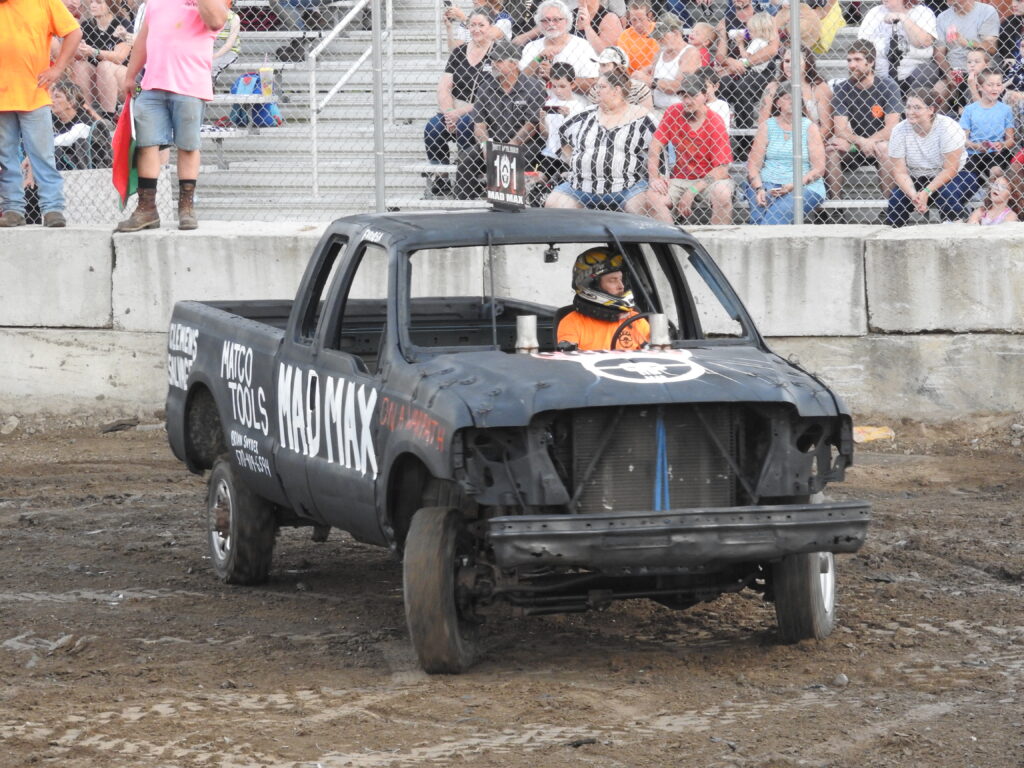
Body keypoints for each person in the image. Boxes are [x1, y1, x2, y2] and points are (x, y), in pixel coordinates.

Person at [116, 0, 230, 231]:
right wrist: (130, 75)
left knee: (188, 146)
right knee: (146, 145)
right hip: (152, 84)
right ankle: (147, 209)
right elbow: (143, 39)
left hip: (190, 85)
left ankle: (186, 208)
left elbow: (216, 20)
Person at [0, 0, 82, 228]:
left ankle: (52, 209)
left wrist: (58, 68)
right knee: (5, 158)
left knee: (42, 156)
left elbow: (74, 32)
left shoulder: (44, 2)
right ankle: (13, 210)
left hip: (34, 94)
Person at [545, 70, 658, 214]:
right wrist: (573, 160)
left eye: (601, 87)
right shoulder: (584, 115)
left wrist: (656, 178)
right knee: (553, 203)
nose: (596, 90)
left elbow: (659, 147)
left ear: (616, 90)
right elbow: (561, 135)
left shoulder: (641, 117)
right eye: (596, 86)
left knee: (641, 208)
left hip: (627, 186)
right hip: (581, 186)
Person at [455, 39, 546, 198]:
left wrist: (511, 146)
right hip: (494, 141)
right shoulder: (485, 87)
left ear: (514, 63)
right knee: (466, 159)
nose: (493, 64)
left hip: (525, 144)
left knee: (510, 158)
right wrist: (486, 145)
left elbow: (531, 125)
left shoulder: (532, 87)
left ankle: (505, 204)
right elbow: (479, 124)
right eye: (492, 60)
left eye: (498, 61)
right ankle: (463, 203)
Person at [648, 73, 735, 225]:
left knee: (722, 194)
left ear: (705, 96)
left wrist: (692, 191)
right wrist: (654, 178)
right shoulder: (673, 112)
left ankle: (717, 237)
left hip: (709, 179)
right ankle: (671, 237)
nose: (687, 101)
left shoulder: (715, 121)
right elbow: (655, 146)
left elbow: (722, 169)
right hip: (680, 177)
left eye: (693, 95)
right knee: (652, 197)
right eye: (684, 96)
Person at [425, 9, 495, 194]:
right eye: (473, 25)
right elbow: (444, 87)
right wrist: (449, 113)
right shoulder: (459, 52)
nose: (476, 29)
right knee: (433, 128)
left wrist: (458, 114)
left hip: (485, 109)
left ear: (490, 27)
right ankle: (441, 177)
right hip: (456, 108)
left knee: (465, 124)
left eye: (481, 25)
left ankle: (469, 176)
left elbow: (491, 94)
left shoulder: (497, 52)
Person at [825, 40, 903, 201]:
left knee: (885, 148)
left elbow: (892, 128)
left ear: (871, 62)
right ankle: (835, 206)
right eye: (849, 60)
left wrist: (869, 142)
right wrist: (861, 142)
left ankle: (889, 207)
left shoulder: (888, 86)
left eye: (857, 60)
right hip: (854, 147)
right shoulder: (842, 89)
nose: (852, 65)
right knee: (833, 147)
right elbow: (840, 129)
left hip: (880, 145)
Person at [884, 88, 975, 226]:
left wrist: (926, 192)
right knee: (896, 199)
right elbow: (900, 171)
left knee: (947, 194)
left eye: (917, 107)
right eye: (908, 107)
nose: (910, 112)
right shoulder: (899, 130)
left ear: (931, 110)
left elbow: (950, 169)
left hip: (957, 174)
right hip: (918, 175)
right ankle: (894, 233)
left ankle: (955, 229)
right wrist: (914, 196)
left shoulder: (948, 127)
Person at [745, 83, 828, 224]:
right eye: (788, 98)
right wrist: (759, 189)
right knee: (757, 217)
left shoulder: (809, 127)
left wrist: (794, 184)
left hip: (804, 186)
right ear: (778, 102)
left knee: (774, 218)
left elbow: (819, 169)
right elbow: (753, 165)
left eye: (796, 98)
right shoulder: (767, 126)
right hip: (767, 183)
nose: (792, 102)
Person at [556, 248, 651, 351]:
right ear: (592, 285)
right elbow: (570, 358)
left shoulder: (636, 320)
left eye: (621, 279)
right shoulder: (572, 322)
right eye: (613, 280)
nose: (621, 286)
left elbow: (654, 354)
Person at [715, 0, 778, 132]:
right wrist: (731, 62)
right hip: (734, 69)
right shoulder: (726, 22)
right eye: (738, 8)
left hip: (761, 70)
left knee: (742, 87)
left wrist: (744, 63)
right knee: (721, 84)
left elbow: (772, 49)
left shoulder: (765, 19)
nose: (742, 11)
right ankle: (720, 130)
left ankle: (745, 136)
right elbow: (720, 56)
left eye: (745, 7)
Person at [857, 0, 940, 92]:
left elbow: (924, 42)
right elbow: (862, 46)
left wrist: (902, 17)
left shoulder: (922, 12)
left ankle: (912, 99)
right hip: (880, 76)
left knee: (929, 70)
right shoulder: (875, 13)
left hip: (913, 74)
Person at [519, 0, 599, 93]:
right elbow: (519, 82)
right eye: (545, 20)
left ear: (567, 21)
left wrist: (557, 75)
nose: (551, 24)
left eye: (556, 19)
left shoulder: (583, 46)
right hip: (536, 101)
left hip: (572, 101)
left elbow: (592, 84)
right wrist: (537, 59)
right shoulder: (531, 46)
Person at [933, 0, 1000, 109]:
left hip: (980, 72)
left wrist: (967, 43)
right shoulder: (943, 17)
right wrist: (948, 73)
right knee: (935, 95)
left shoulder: (986, 11)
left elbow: (991, 47)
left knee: (974, 92)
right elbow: (939, 54)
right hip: (954, 71)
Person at [71, 0, 132, 118]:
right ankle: (86, 113)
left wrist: (94, 52)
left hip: (121, 79)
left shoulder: (121, 23)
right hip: (96, 82)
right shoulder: (87, 25)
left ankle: (109, 116)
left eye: (99, 2)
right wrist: (80, 48)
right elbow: (76, 56)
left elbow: (120, 57)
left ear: (109, 5)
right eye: (92, 2)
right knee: (80, 65)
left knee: (104, 66)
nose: (93, 5)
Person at [759, 47, 832, 138]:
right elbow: (763, 123)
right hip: (779, 138)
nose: (790, 65)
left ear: (807, 64)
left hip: (813, 138)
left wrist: (809, 143)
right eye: (787, 61)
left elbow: (827, 127)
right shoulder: (772, 87)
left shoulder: (819, 87)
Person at [641, 13, 703, 114]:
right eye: (657, 38)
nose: (659, 41)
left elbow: (680, 86)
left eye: (662, 37)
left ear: (676, 33)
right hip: (656, 108)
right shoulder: (659, 53)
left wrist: (650, 81)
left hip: (680, 111)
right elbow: (651, 80)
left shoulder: (689, 53)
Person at [960, 67, 1014, 182]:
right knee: (966, 176)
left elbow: (1010, 140)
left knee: (996, 171)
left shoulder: (1006, 110)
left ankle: (993, 188)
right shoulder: (970, 110)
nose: (995, 88)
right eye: (990, 85)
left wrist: (1001, 144)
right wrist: (977, 146)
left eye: (998, 85)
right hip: (973, 152)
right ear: (979, 87)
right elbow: (963, 139)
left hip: (996, 153)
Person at [538, 62, 586, 186]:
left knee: (564, 178)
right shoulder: (549, 104)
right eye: (554, 86)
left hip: (568, 155)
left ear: (572, 84)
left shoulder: (579, 107)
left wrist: (567, 119)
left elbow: (577, 138)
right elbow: (545, 134)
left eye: (562, 86)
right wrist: (542, 119)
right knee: (538, 178)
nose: (558, 90)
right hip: (550, 152)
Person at [586, 47, 654, 109]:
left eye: (604, 65)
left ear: (619, 67)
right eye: (600, 65)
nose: (599, 70)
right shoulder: (596, 90)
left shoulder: (639, 88)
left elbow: (647, 115)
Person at [445, 0, 512, 50]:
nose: (473, 0)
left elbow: (490, 35)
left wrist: (464, 18)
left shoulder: (503, 18)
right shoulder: (468, 20)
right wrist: (449, 27)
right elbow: (454, 49)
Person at [617, 2, 661, 76]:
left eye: (641, 19)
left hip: (657, 75)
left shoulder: (660, 30)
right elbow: (622, 66)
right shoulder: (624, 36)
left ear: (649, 15)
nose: (638, 24)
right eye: (634, 20)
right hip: (633, 77)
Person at [212, 9, 242, 86]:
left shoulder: (233, 18)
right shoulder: (210, 16)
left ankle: (211, 81)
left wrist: (215, 55)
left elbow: (229, 44)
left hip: (230, 51)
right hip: (212, 49)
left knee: (213, 64)